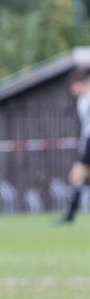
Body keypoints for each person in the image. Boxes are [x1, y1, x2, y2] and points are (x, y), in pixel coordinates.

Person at [60, 70, 90, 223]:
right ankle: (70, 215)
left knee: (77, 175)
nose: (72, 89)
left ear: (81, 83)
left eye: (73, 85)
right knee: (77, 176)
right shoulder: (81, 100)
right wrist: (83, 143)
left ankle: (70, 216)